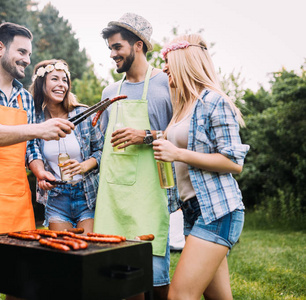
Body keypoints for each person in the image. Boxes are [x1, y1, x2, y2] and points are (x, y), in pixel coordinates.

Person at [0, 22, 73, 300]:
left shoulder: (23, 97)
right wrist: (38, 129)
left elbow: (31, 147)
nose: (27, 60)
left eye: (29, 54)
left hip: (16, 194)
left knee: (22, 277)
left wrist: (40, 171)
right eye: (21, 51)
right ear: (0, 48)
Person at [154, 34, 249, 300]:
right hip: (193, 209)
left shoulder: (214, 101)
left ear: (184, 62)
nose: (164, 68)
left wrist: (178, 153)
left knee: (179, 295)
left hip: (217, 210)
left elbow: (233, 162)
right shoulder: (183, 106)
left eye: (168, 61)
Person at [93, 13, 173, 300]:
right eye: (111, 49)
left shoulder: (167, 84)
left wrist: (147, 135)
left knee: (157, 279)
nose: (113, 54)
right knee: (120, 282)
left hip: (151, 197)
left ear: (138, 45)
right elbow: (104, 148)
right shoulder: (110, 92)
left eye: (117, 47)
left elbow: (183, 139)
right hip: (114, 199)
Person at [28, 59, 104, 233]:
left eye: (65, 80)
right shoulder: (35, 121)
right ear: (41, 84)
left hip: (87, 195)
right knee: (65, 254)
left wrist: (84, 166)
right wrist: (42, 177)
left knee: (88, 250)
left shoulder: (82, 114)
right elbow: (32, 153)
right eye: (55, 79)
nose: (61, 84)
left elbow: (102, 149)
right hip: (57, 197)